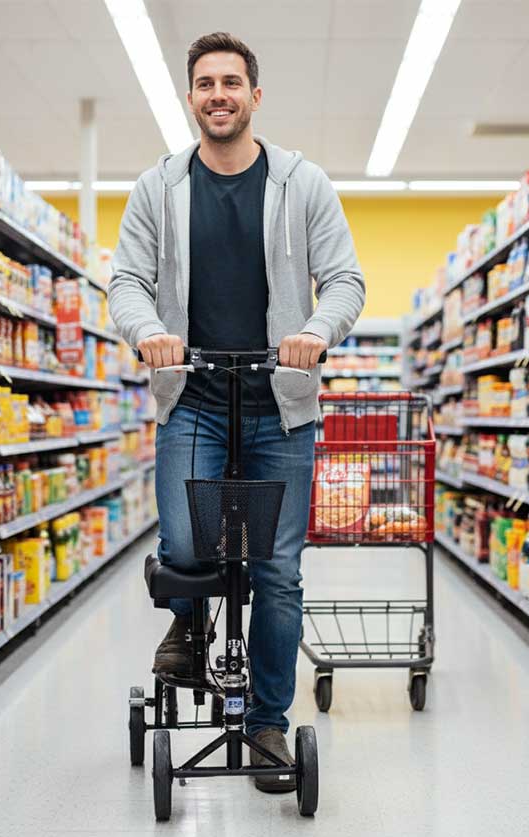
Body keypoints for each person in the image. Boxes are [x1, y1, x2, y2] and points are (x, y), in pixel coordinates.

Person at [108, 31, 364, 793]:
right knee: (186, 545)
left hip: (278, 406)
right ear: (191, 99)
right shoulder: (157, 188)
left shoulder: (301, 182)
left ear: (255, 95)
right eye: (204, 84)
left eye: (231, 82)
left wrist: (315, 334)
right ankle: (188, 625)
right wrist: (148, 332)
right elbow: (125, 281)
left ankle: (267, 725)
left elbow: (345, 280)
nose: (218, 94)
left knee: (278, 571)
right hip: (192, 399)